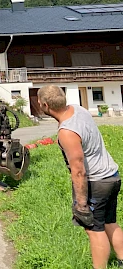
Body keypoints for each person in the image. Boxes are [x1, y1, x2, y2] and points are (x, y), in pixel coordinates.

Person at [37, 85, 123, 269]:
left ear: (45, 105)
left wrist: (81, 204)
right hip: (112, 176)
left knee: (94, 230)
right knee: (109, 222)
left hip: (97, 183)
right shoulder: (80, 109)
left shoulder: (67, 132)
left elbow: (78, 170)